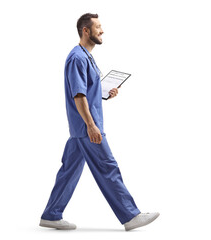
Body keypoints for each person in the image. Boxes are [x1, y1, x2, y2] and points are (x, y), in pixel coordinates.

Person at [39, 13, 159, 231]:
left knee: (69, 171)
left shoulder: (86, 56)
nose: (102, 31)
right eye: (98, 27)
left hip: (81, 128)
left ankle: (51, 214)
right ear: (86, 31)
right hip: (87, 127)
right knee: (108, 167)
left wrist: (105, 93)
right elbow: (79, 95)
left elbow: (88, 90)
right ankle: (130, 216)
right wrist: (92, 126)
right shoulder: (77, 57)